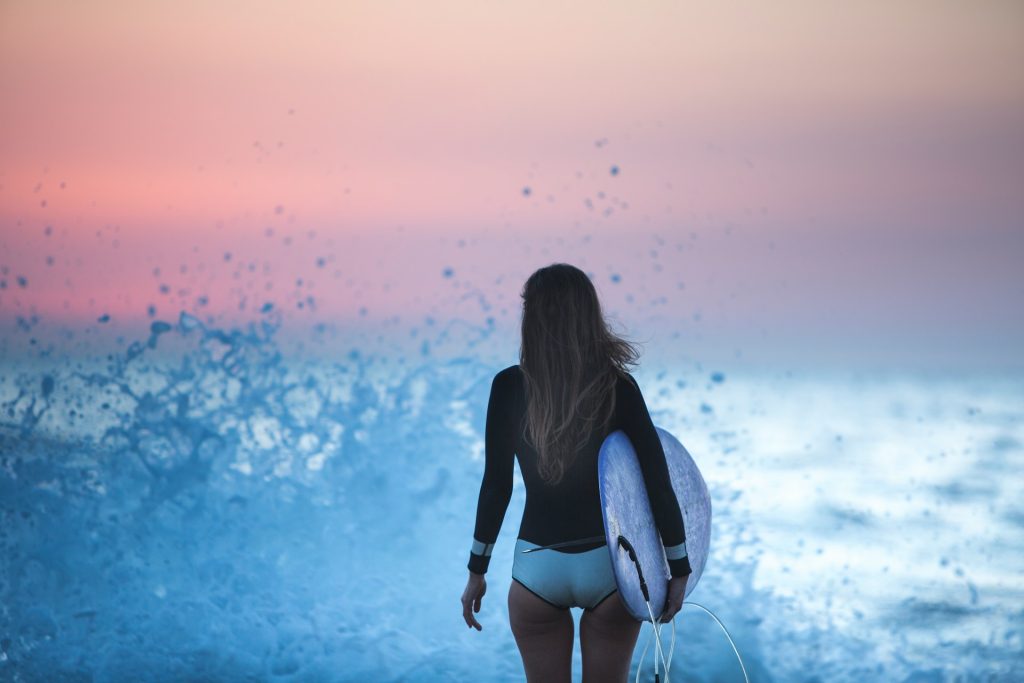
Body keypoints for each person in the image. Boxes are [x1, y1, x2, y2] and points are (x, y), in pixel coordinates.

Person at [460, 263, 691, 683]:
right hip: (611, 570)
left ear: (532, 319)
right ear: (588, 316)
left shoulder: (508, 387)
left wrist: (477, 571)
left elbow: (496, 486)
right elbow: (658, 481)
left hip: (535, 568)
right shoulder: (617, 387)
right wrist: (679, 567)